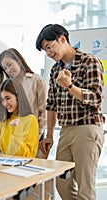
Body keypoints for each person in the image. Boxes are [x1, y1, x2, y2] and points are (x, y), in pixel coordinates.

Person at [36, 24, 105, 200]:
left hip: (87, 128)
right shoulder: (55, 70)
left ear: (62, 39)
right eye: (45, 50)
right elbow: (51, 104)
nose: (48, 53)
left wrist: (70, 86)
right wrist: (50, 135)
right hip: (66, 130)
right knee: (61, 182)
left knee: (85, 186)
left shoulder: (89, 61)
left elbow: (96, 97)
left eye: (49, 47)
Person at [0, 48, 47, 139]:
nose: (8, 70)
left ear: (19, 61)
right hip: (12, 132)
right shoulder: (8, 85)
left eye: (9, 65)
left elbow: (43, 109)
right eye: (5, 68)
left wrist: (38, 133)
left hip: (33, 132)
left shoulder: (36, 80)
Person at [0, 79, 39, 157]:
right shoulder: (4, 120)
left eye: (8, 98)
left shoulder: (31, 120)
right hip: (5, 164)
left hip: (22, 164)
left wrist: (18, 129)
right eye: (2, 100)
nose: (5, 104)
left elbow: (23, 154)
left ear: (18, 97)